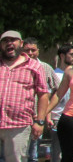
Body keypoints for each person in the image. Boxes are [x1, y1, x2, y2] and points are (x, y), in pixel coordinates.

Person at [0, 31, 49, 162]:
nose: (9, 43)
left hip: (18, 126)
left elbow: (43, 94)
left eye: (13, 40)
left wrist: (40, 121)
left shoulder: (34, 66)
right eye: (5, 41)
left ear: (21, 43)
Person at [22, 38, 60, 162]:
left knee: (33, 154)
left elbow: (58, 90)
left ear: (38, 51)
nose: (30, 53)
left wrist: (46, 114)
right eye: (27, 50)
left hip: (37, 117)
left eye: (33, 50)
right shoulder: (17, 67)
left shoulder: (45, 68)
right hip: (20, 116)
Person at [46, 44, 73, 162]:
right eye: (72, 54)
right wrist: (47, 117)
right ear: (62, 56)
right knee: (58, 153)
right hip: (57, 119)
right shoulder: (54, 74)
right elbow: (48, 97)